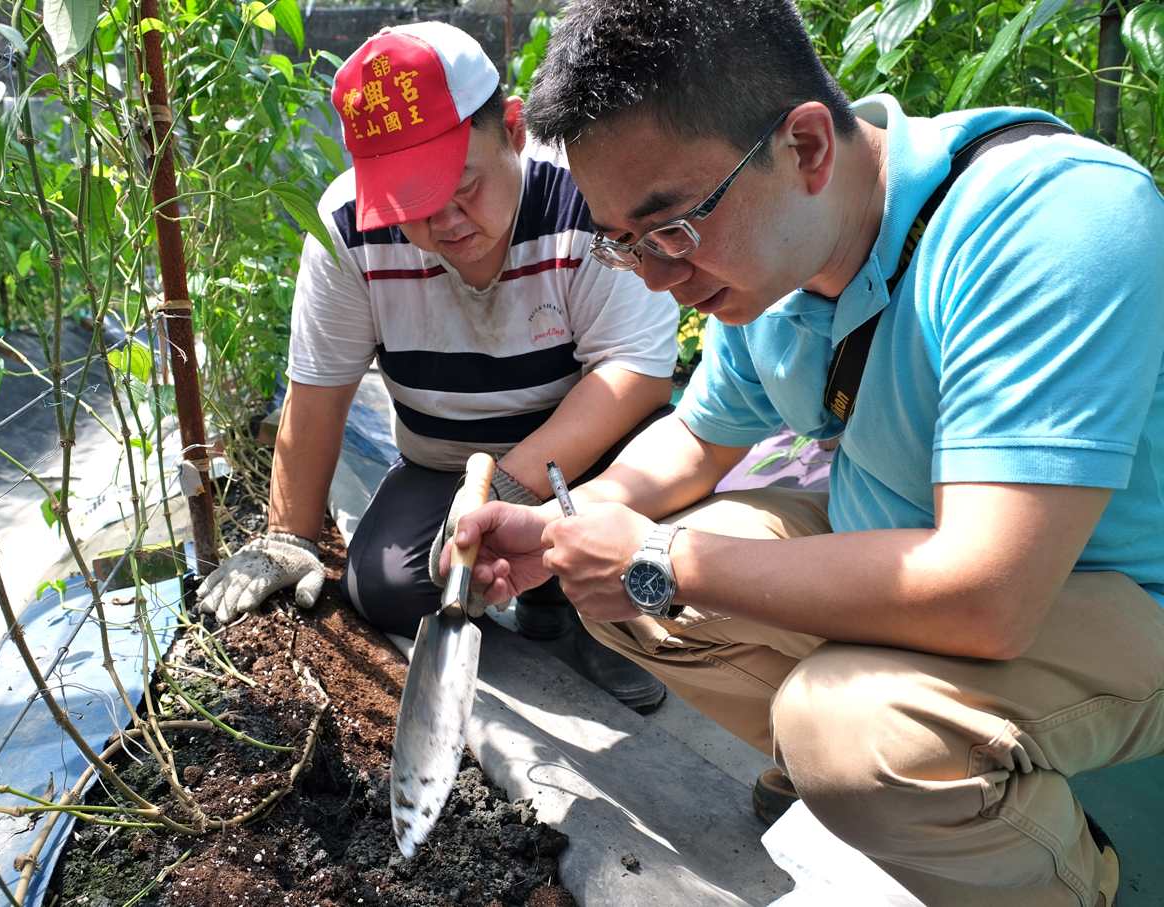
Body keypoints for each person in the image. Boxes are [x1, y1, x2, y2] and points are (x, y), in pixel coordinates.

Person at [447, 1, 1164, 904]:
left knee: (849, 731)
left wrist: (662, 557)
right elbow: (696, 440)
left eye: (672, 227)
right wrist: (559, 519)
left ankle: (1072, 879)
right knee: (614, 582)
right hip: (907, 539)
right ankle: (870, 780)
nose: (662, 278)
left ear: (808, 146)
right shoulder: (771, 259)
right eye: (625, 243)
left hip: (1110, 593)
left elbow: (989, 594)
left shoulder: (1049, 224)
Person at [198, 21, 681, 713]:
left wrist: (508, 492)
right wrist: (287, 537)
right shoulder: (346, 229)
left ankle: (591, 617)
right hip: (443, 460)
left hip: (585, 455)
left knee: (658, 497)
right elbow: (318, 393)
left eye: (465, 187)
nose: (446, 223)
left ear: (513, 131)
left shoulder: (586, 196)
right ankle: (533, 602)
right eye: (412, 206)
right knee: (385, 585)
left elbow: (636, 371)